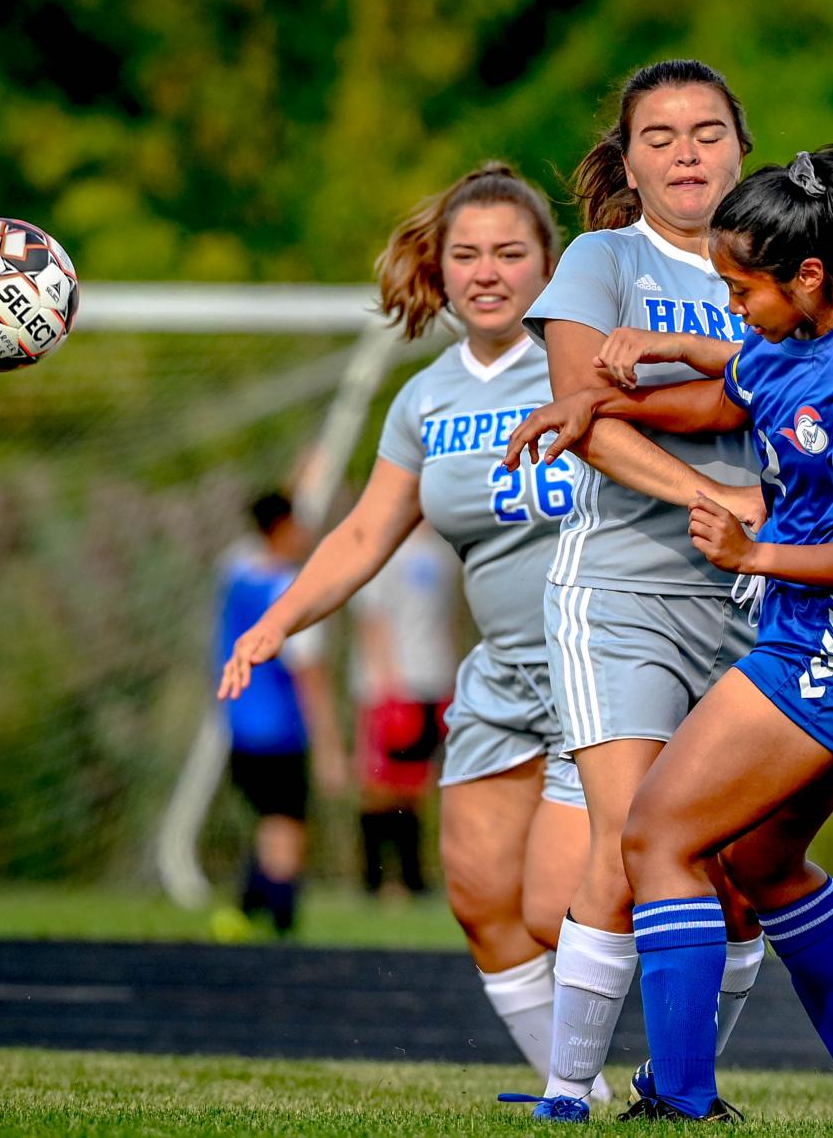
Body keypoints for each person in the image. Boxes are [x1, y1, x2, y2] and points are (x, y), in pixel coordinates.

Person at [504, 145, 833, 1123]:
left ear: (809, 276)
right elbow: (732, 389)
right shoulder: (801, 328)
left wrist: (754, 556)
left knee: (657, 834)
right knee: (756, 862)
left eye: (740, 287)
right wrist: (593, 398)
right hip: (820, 634)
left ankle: (682, 1102)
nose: (730, 304)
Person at [218, 164, 610, 1098]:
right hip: (505, 678)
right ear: (437, 269)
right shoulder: (424, 400)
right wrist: (277, 621)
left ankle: (681, 1052)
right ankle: (582, 1097)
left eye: (510, 253)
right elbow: (361, 532)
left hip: (608, 665)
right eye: (465, 253)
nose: (487, 271)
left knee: (561, 904)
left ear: (550, 265)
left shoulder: (592, 363)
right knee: (481, 902)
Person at [503, 59, 770, 1121]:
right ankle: (567, 1091)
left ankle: (674, 1081)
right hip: (621, 590)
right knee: (634, 840)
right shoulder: (600, 259)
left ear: (743, 147)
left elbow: (809, 389)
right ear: (627, 160)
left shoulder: (786, 262)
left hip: (765, 597)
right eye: (658, 136)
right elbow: (583, 412)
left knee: (741, 871)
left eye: (707, 130)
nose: (687, 152)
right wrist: (720, 499)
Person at [214, 491, 349, 936]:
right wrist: (330, 748)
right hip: (281, 732)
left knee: (271, 826)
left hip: (238, 728)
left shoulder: (235, 571)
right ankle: (282, 935)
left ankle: (241, 914)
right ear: (283, 529)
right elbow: (311, 678)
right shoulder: (291, 596)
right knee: (286, 835)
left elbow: (265, 517)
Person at [349, 522, 461, 897]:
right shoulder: (384, 548)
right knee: (380, 784)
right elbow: (373, 620)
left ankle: (413, 878)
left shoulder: (444, 553)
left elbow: (448, 620)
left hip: (433, 680)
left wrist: (452, 676)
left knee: (417, 785)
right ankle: (375, 878)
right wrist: (387, 683)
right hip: (392, 686)